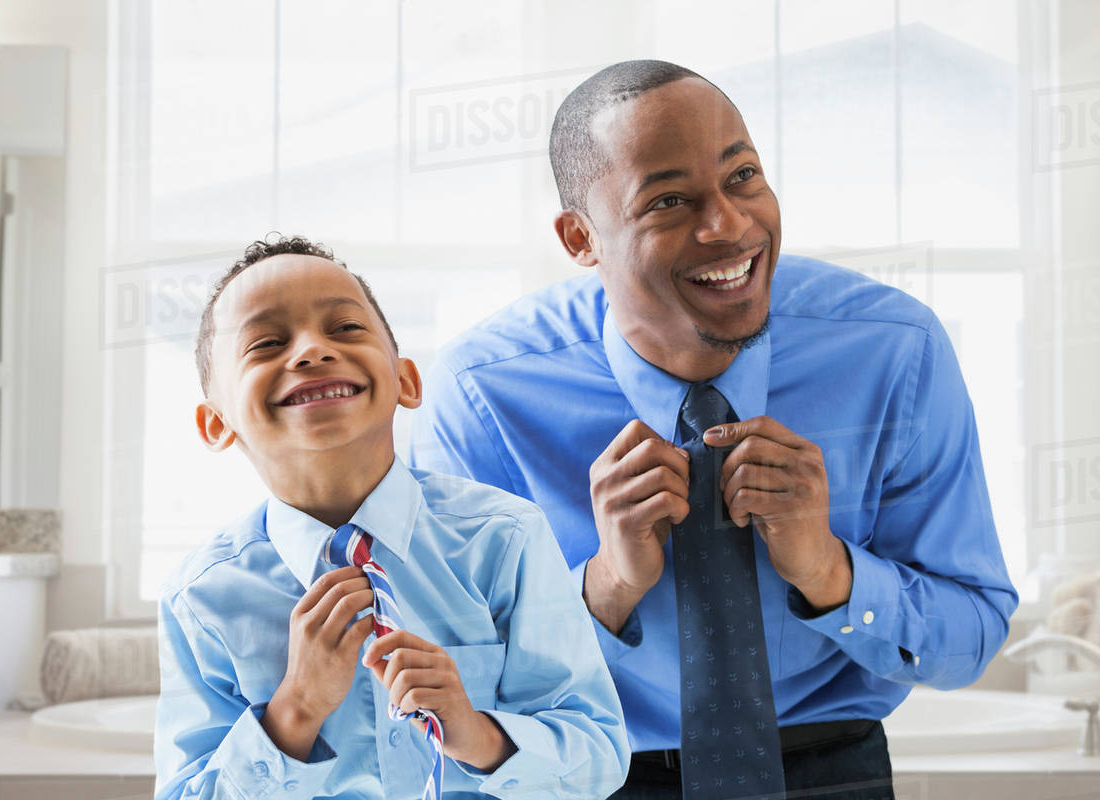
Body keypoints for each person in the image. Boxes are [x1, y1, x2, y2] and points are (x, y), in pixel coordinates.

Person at [409, 60, 1018, 799]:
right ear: (580, 238)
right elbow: (448, 691)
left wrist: (829, 572)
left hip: (835, 772)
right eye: (668, 200)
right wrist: (605, 587)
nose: (729, 226)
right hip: (587, 775)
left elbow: (973, 637)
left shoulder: (893, 351)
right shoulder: (484, 395)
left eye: (744, 177)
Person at [153, 236, 629, 800]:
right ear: (216, 423)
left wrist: (476, 733)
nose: (310, 350)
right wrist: (294, 711)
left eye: (345, 328)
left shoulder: (505, 539)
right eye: (267, 342)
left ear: (406, 380)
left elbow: (598, 757)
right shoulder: (202, 599)